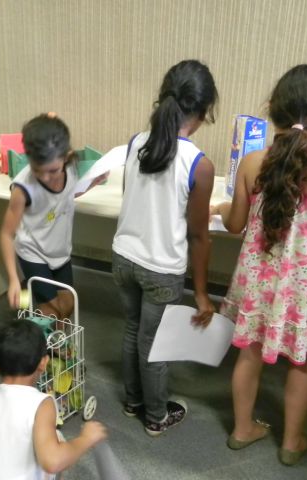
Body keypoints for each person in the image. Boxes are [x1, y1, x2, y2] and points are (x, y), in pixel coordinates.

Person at [212, 64, 307, 465]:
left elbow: (236, 224)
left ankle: (242, 429)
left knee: (249, 354)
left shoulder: (251, 162)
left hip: (257, 285)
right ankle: (292, 443)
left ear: (271, 108)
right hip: (300, 291)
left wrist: (223, 207)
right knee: (302, 363)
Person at [112, 60, 217, 436]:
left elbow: (131, 198)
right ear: (203, 111)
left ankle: (133, 401)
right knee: (153, 344)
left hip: (123, 256)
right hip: (161, 269)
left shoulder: (135, 143)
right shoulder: (199, 165)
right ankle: (156, 416)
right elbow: (199, 236)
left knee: (133, 330)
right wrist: (201, 293)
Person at [0, 320, 107, 479]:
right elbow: (52, 461)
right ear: (43, 363)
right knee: (57, 440)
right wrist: (86, 439)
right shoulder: (42, 404)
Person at [0, 114, 104, 319]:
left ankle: (58, 339)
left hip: (59, 250)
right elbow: (6, 234)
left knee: (68, 305)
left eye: (53, 170)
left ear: (66, 156)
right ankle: (41, 338)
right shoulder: (23, 188)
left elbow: (67, 195)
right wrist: (13, 279)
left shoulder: (71, 168)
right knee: (51, 312)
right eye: (38, 170)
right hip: (33, 252)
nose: (46, 177)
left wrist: (94, 182)